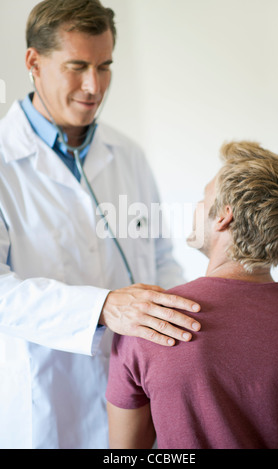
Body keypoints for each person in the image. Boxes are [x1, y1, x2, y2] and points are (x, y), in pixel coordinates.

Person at [0, 0, 202, 449]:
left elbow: (161, 258)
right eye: (77, 66)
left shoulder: (126, 153)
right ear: (33, 62)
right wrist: (102, 307)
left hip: (135, 398)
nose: (94, 86)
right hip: (47, 401)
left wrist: (186, 322)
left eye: (105, 66)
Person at [106, 141, 278, 449]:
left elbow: (125, 454)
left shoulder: (149, 323)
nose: (197, 206)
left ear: (224, 217)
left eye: (203, 197)